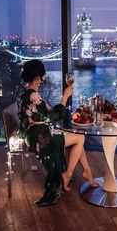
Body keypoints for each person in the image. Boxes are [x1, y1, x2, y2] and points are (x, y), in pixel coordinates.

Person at [18, 59, 98, 207]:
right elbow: (54, 115)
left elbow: (46, 112)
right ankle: (67, 175)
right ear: (37, 78)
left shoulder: (25, 92)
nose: (44, 77)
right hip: (41, 138)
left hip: (35, 133)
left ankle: (87, 172)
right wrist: (65, 96)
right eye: (43, 75)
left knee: (78, 138)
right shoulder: (33, 95)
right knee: (80, 138)